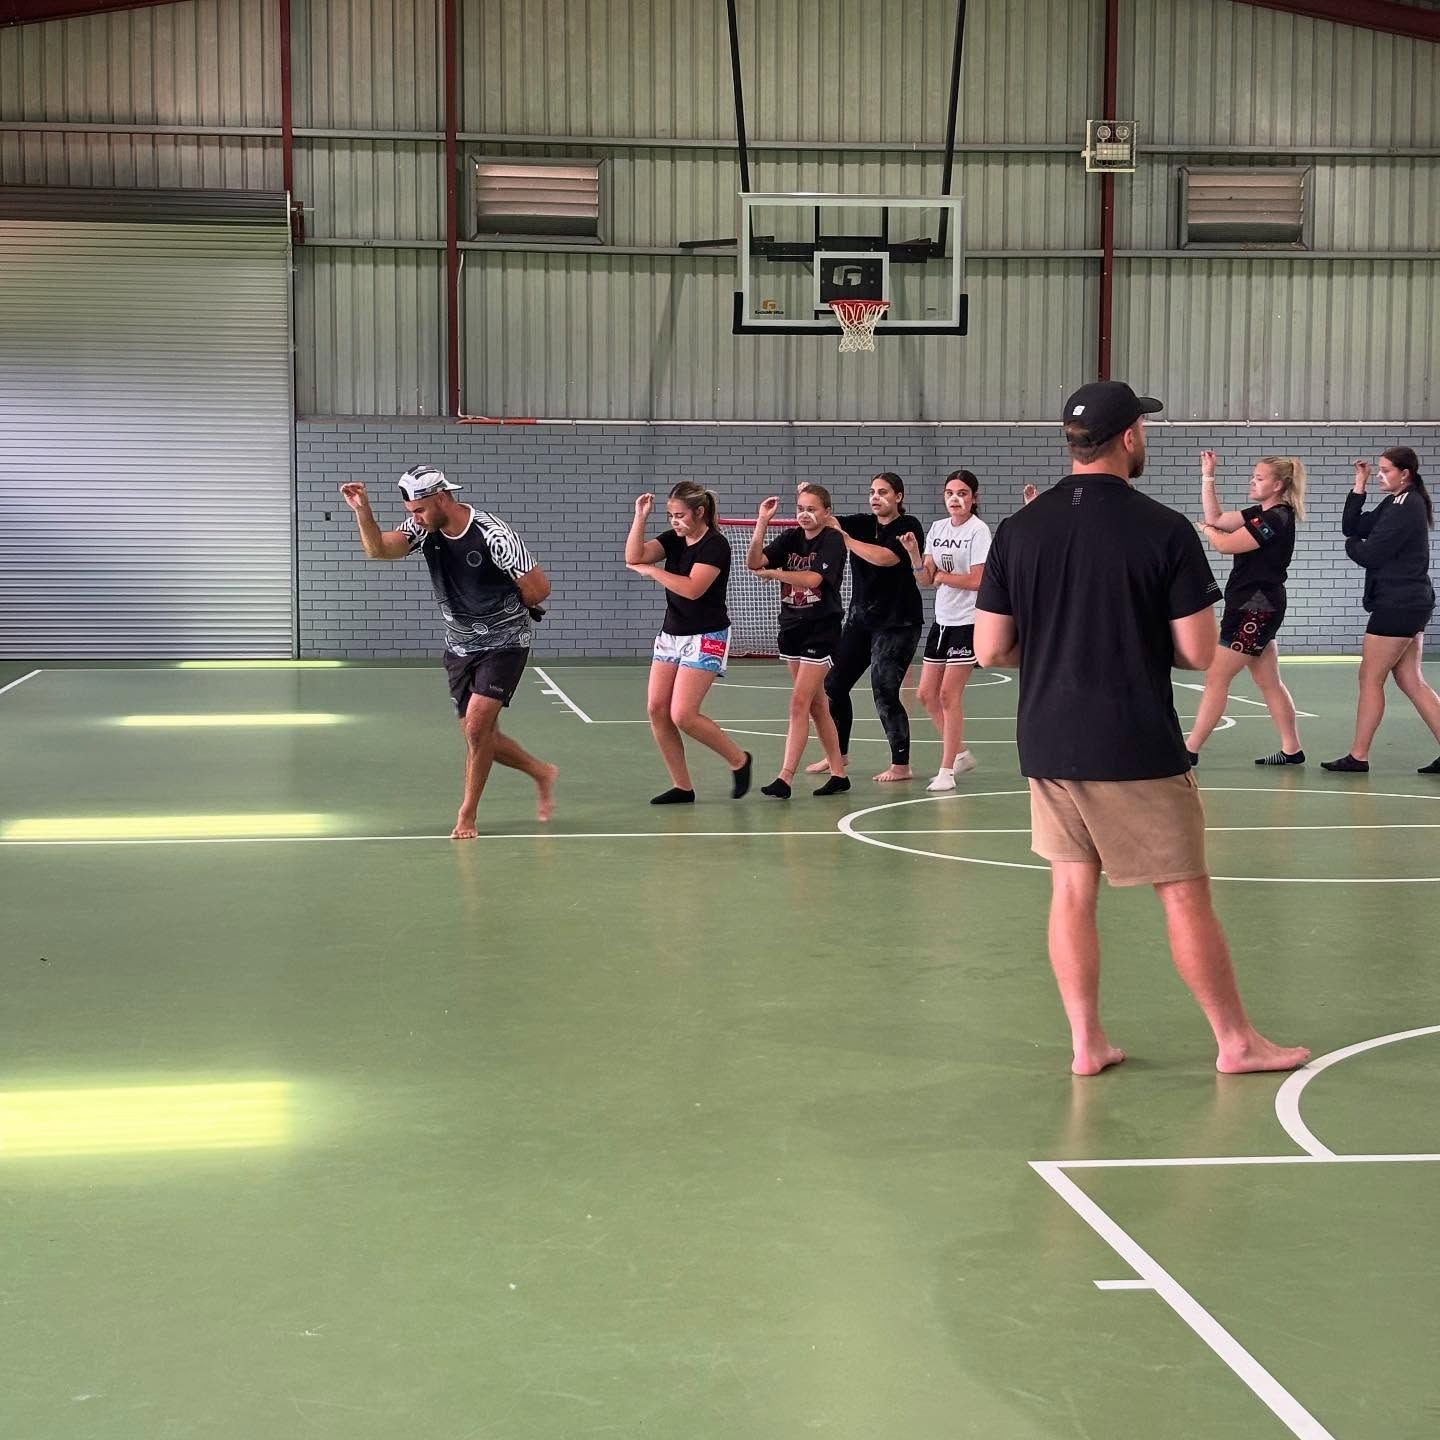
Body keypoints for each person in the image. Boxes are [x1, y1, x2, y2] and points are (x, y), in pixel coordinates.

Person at [973, 381, 1308, 1077]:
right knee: (1183, 890)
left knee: (1071, 889)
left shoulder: (1017, 530)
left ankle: (1086, 1044)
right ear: (1128, 438)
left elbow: (990, 650)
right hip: (1131, 742)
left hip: (1046, 739)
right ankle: (1236, 1042)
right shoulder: (1162, 529)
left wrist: (1063, 640)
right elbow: (1193, 651)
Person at [339, 465, 558, 838]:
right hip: (459, 646)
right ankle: (541, 771)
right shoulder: (424, 531)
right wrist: (363, 510)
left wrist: (502, 604)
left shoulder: (494, 534)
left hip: (505, 644)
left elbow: (538, 589)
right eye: (411, 513)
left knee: (476, 729)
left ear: (441, 498)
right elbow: (378, 549)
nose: (415, 519)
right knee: (482, 737)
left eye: (420, 510)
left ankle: (467, 815)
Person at [624, 482, 753, 804]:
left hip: (707, 635)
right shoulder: (674, 539)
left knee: (683, 714)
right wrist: (640, 516)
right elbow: (634, 556)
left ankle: (739, 759)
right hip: (672, 634)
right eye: (670, 516)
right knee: (656, 709)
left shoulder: (715, 545)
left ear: (699, 512)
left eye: (680, 515)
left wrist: (653, 573)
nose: (674, 522)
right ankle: (682, 786)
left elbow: (693, 588)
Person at [800, 474, 925, 783]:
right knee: (834, 685)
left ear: (898, 496)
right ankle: (838, 754)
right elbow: (825, 521)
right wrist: (810, 503)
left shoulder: (907, 526)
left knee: (884, 689)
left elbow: (885, 558)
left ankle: (901, 765)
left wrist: (846, 539)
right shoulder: (860, 523)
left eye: (883, 492)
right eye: (872, 492)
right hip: (861, 620)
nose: (876, 497)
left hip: (898, 622)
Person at [1186, 451, 1308, 767]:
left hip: (1256, 609)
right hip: (1252, 606)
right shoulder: (1259, 513)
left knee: (1216, 676)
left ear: (1279, 485)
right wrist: (1208, 475)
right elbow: (1217, 518)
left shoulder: (1276, 519)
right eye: (1253, 476)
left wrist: (1206, 532)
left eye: (1259, 478)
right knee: (1268, 681)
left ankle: (1189, 750)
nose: (1252, 482)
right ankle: (1292, 749)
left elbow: (1225, 543)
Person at [1322, 448, 1440, 774]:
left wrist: (1351, 547)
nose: (1379, 475)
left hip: (1398, 604)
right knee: (1410, 680)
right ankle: (1358, 755)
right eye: (1378, 470)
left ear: (1406, 474)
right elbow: (1353, 526)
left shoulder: (1406, 506)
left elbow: (1370, 553)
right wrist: (1358, 485)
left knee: (1370, 678)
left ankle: (1358, 756)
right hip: (1409, 602)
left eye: (1386, 470)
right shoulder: (1394, 502)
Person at [746, 486, 851, 798]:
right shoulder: (791, 538)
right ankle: (839, 774)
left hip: (822, 629)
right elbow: (754, 562)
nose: (805, 514)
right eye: (801, 508)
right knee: (817, 705)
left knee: (798, 703)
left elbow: (814, 579)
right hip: (792, 627)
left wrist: (775, 574)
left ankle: (785, 777)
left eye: (812, 509)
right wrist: (762, 521)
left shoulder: (832, 541)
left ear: (826, 512)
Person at [904, 469, 992, 791]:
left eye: (962, 493)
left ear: (973, 498)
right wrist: (915, 553)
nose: (955, 498)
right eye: (950, 493)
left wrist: (943, 577)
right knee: (926, 695)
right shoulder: (938, 528)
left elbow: (978, 580)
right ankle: (961, 753)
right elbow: (925, 580)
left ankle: (947, 772)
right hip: (941, 622)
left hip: (967, 623)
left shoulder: (978, 531)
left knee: (947, 695)